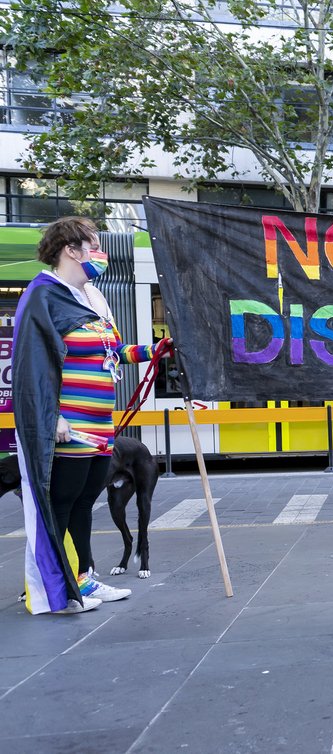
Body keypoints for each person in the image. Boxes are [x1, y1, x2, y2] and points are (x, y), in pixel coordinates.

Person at [13, 217, 159, 615]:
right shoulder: (44, 297)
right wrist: (53, 416)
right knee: (61, 504)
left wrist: (155, 350)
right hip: (71, 426)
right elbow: (32, 364)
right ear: (70, 250)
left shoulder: (88, 299)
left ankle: (81, 577)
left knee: (81, 504)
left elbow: (113, 352)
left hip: (100, 426)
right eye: (92, 244)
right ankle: (50, 587)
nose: (100, 253)